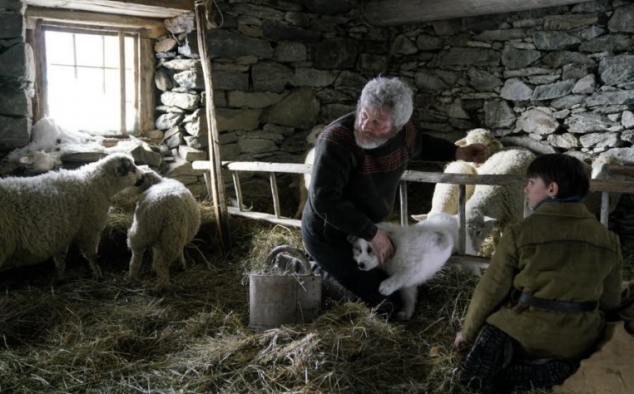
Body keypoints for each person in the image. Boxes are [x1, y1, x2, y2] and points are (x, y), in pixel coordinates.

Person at [301, 76, 489, 317]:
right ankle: (316, 268)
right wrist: (371, 233)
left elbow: (422, 144)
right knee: (385, 304)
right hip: (331, 234)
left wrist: (457, 152)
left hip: (370, 228)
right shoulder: (336, 141)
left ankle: (336, 272)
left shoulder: (405, 134)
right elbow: (324, 200)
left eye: (377, 122)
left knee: (405, 288)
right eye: (364, 114)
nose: (365, 125)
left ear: (397, 127)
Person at [454, 153, 623, 392]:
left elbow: (490, 290)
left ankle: (499, 369)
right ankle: (557, 368)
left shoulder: (520, 233)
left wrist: (467, 334)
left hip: (524, 332)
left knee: (491, 331)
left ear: (552, 189)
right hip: (579, 339)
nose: (526, 190)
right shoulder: (609, 240)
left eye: (531, 183)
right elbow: (610, 300)